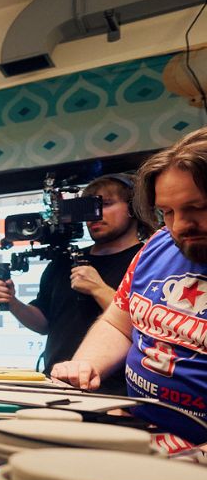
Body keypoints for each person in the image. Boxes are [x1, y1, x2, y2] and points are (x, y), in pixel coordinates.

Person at [51, 128, 207, 443]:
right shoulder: (158, 244)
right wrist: (86, 364)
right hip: (142, 436)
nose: (179, 226)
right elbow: (119, 322)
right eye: (167, 212)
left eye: (198, 209)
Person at [0, 175, 147, 394]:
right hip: (56, 386)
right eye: (87, 207)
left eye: (106, 204)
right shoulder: (64, 261)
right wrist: (13, 303)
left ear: (133, 208)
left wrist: (98, 289)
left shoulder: (148, 261)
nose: (95, 214)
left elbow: (145, 326)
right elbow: (44, 323)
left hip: (117, 393)